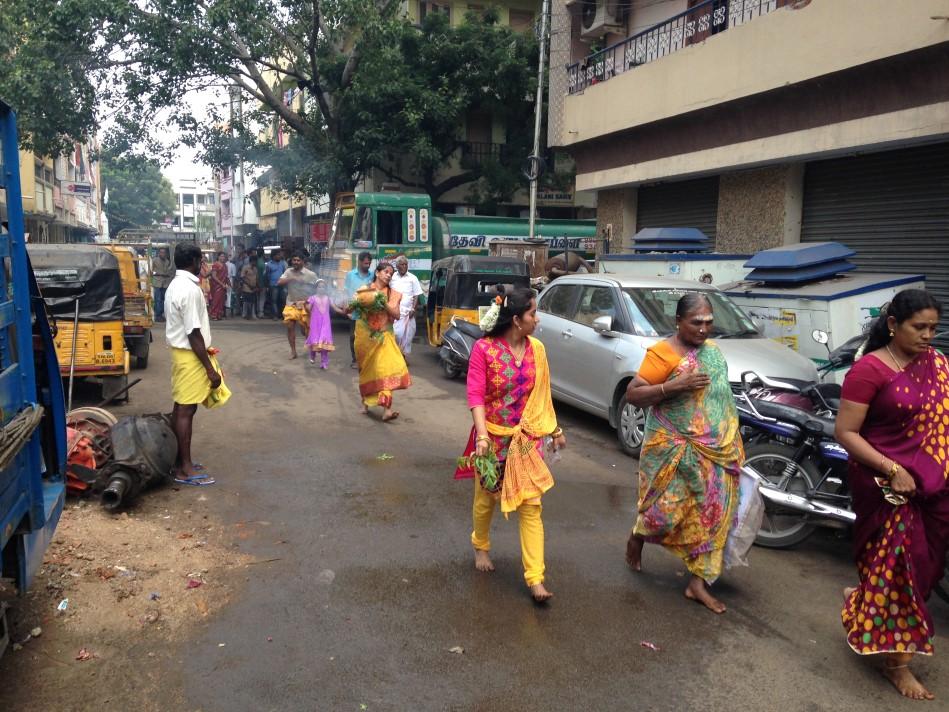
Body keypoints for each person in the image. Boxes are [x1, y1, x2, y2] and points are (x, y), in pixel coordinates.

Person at [835, 289, 947, 701]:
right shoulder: (869, 370)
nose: (928, 336)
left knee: (926, 569)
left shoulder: (938, 364)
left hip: (934, 487)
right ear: (894, 324)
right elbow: (846, 433)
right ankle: (896, 664)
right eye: (920, 327)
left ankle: (862, 601)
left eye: (934, 328)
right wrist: (894, 469)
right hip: (886, 487)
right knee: (904, 570)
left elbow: (940, 422)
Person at [624, 293, 743, 614]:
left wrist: (729, 437)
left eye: (708, 321)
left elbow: (719, 400)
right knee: (666, 512)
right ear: (678, 322)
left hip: (716, 452)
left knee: (712, 512)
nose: (704, 328)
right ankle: (639, 534)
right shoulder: (663, 354)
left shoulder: (713, 351)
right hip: (673, 450)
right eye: (696, 322)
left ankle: (697, 582)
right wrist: (675, 386)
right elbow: (633, 394)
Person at [454, 286, 566, 603]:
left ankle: (535, 579)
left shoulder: (538, 350)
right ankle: (481, 544)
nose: (538, 319)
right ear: (517, 319)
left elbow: (542, 395)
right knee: (485, 499)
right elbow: (475, 394)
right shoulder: (484, 350)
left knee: (531, 507)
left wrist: (554, 428)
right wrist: (483, 437)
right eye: (533, 313)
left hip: (526, 441)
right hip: (491, 438)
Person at [164, 243, 230, 485]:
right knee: (186, 410)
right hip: (189, 354)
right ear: (193, 260)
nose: (204, 264)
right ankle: (185, 469)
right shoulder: (189, 289)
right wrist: (210, 369)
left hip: (182, 353)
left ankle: (179, 461)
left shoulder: (177, 285)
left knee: (182, 407)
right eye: (201, 259)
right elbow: (193, 333)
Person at [348, 262, 410, 421]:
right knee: (366, 371)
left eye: (391, 273)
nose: (388, 275)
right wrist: (352, 305)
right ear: (377, 272)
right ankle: (365, 403)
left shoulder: (393, 293)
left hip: (385, 337)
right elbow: (351, 310)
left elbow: (396, 315)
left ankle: (387, 409)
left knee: (386, 370)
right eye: (386, 272)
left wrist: (383, 303)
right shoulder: (364, 290)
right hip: (365, 338)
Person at [276, 252, 319, 359]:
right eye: (294, 260)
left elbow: (319, 287)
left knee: (305, 331)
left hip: (306, 305)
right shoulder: (288, 271)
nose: (295, 262)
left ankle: (311, 350)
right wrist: (292, 279)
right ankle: (293, 352)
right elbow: (279, 282)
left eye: (298, 260)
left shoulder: (311, 274)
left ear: (303, 262)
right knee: (289, 325)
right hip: (291, 303)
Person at [389, 255, 423, 358]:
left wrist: (413, 308)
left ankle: (401, 357)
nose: (404, 266)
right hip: (395, 312)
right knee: (397, 334)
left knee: (408, 337)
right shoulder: (392, 277)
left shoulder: (413, 278)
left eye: (406, 264)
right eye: (402, 264)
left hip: (408, 313)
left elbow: (416, 294)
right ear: (397, 266)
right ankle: (395, 356)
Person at [344, 251, 373, 369]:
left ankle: (367, 359)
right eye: (366, 263)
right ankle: (355, 359)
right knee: (353, 336)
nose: (368, 265)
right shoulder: (350, 275)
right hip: (355, 311)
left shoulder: (373, 275)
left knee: (368, 337)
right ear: (360, 262)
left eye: (369, 263)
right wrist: (347, 307)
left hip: (369, 312)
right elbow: (346, 292)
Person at [305, 279, 339, 368]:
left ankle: (324, 363)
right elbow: (308, 308)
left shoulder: (328, 298)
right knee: (314, 340)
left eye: (323, 287)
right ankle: (312, 355)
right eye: (319, 287)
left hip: (325, 325)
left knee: (324, 344)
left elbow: (335, 308)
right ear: (316, 288)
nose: (321, 288)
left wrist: (345, 312)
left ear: (325, 289)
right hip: (315, 324)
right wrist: (306, 305)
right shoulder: (312, 298)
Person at [151, 247, 174, 321]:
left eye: (164, 253)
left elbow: (169, 271)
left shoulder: (167, 261)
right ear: (159, 253)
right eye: (161, 252)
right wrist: (156, 273)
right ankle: (158, 315)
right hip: (157, 282)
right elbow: (150, 270)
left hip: (165, 283)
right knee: (158, 299)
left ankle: (162, 314)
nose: (163, 254)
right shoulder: (154, 260)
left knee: (164, 299)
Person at [266, 249, 288, 319]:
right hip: (273, 285)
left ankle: (282, 315)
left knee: (283, 300)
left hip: (282, 284)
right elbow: (267, 275)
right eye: (278, 255)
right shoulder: (269, 264)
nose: (280, 256)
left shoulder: (282, 263)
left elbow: (285, 273)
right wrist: (269, 284)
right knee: (274, 300)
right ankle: (275, 315)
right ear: (274, 256)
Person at [208, 252, 229, 320]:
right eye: (221, 256)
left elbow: (226, 276)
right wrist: (221, 284)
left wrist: (228, 283)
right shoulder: (216, 265)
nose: (223, 258)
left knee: (221, 301)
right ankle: (213, 315)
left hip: (223, 286)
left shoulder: (225, 265)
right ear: (218, 257)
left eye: (224, 256)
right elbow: (214, 276)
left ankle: (219, 315)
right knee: (216, 300)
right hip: (216, 285)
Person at [255, 249, 267, 318]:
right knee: (262, 298)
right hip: (262, 282)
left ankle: (257, 311)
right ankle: (260, 312)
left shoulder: (256, 261)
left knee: (257, 298)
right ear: (263, 254)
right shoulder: (262, 263)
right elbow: (264, 275)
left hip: (255, 283)